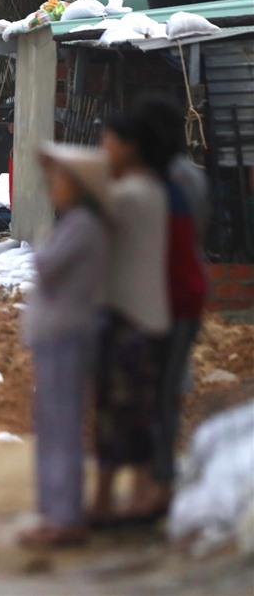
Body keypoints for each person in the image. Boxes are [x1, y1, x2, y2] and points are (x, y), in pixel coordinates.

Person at [19, 143, 112, 549]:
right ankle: (54, 510)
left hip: (67, 335)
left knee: (61, 428)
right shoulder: (77, 223)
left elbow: (47, 265)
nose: (53, 187)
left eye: (60, 180)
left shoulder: (83, 227)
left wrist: (43, 239)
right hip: (59, 336)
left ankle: (65, 514)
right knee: (53, 425)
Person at [127, 94, 209, 520]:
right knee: (164, 394)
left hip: (163, 301)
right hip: (186, 296)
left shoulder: (154, 183)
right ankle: (160, 479)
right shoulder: (190, 178)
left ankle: (158, 485)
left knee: (151, 396)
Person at [90, 110, 171, 527]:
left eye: (109, 143)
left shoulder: (130, 195)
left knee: (119, 412)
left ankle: (115, 497)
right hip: (143, 318)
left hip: (128, 321)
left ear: (131, 148)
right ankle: (133, 491)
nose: (104, 151)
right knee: (135, 411)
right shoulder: (151, 190)